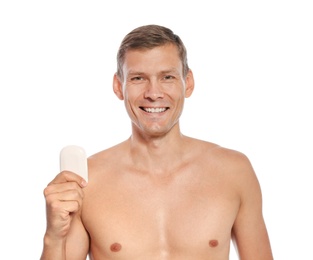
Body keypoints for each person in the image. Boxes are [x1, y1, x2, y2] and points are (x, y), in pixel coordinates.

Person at [40, 24, 273, 260]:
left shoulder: (234, 171)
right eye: (138, 78)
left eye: (167, 77)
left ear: (188, 83)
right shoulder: (86, 182)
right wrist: (53, 237)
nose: (153, 93)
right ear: (119, 86)